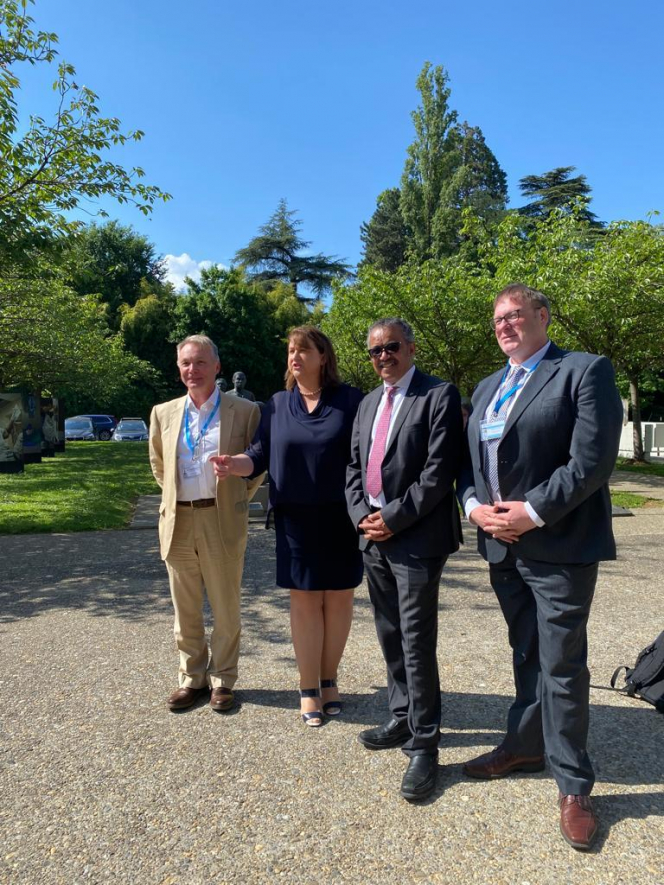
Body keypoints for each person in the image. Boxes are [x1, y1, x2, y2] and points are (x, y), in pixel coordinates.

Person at [457, 283, 623, 850]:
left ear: (543, 317)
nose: (505, 325)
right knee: (526, 653)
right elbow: (468, 464)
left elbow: (592, 460)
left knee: (561, 662)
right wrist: (474, 507)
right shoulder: (486, 388)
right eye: (498, 318)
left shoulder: (583, 370)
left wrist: (530, 512)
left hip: (559, 546)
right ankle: (526, 746)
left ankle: (574, 785)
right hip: (501, 546)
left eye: (516, 315)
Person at [211, 326, 364, 727]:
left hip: (342, 517)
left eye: (304, 350)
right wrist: (234, 465)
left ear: (323, 357)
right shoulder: (277, 405)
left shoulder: (351, 402)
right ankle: (308, 685)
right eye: (291, 351)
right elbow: (258, 454)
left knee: (339, 600)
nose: (295, 357)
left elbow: (368, 455)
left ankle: (330, 679)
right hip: (295, 518)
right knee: (306, 601)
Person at [346, 318, 463, 801]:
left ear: (411, 347)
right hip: (373, 536)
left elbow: (439, 473)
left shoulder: (438, 395)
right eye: (375, 351)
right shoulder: (369, 402)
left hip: (416, 537)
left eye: (391, 347)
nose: (383, 357)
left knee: (416, 639)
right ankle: (400, 715)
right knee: (389, 631)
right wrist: (361, 517)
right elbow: (353, 467)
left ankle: (426, 742)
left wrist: (392, 517)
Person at [149, 335, 263, 713]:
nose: (192, 370)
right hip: (179, 519)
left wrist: (234, 500)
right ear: (178, 368)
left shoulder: (244, 411)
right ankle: (192, 677)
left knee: (226, 606)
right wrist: (175, 496)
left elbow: (256, 464)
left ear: (217, 366)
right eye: (185, 363)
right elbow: (159, 464)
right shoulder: (163, 413)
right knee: (185, 608)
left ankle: (223, 679)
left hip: (221, 518)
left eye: (200, 363)